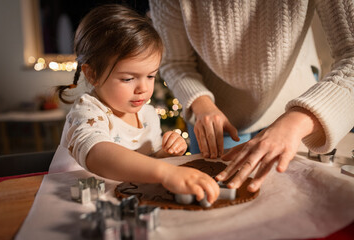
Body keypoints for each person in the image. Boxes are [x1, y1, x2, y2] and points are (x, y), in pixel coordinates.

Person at [149, 0, 354, 192]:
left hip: (299, 106)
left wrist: (294, 124)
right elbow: (175, 62)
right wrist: (202, 105)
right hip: (216, 112)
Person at [53, 4, 220, 204]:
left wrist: (164, 154)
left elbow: (148, 165)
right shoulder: (87, 111)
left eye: (150, 76)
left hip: (124, 200)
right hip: (73, 202)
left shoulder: (148, 114)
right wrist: (165, 172)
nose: (143, 88)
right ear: (92, 74)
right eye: (128, 79)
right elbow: (97, 153)